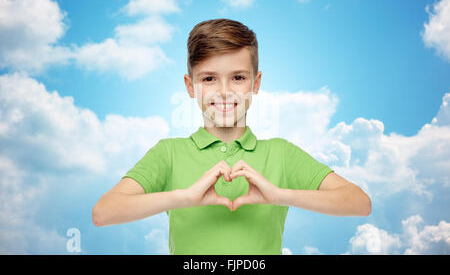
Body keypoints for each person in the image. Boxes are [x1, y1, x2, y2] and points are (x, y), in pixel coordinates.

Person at [92, 18, 371, 255]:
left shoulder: (281, 154)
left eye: (238, 78)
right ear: (190, 86)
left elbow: (359, 203)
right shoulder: (168, 154)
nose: (224, 91)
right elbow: (104, 212)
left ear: (256, 83)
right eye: (209, 79)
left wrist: (279, 194)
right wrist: (184, 197)